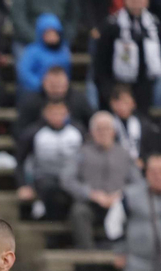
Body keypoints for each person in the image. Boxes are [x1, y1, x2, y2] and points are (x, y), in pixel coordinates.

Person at [65, 113, 138, 250]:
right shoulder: (81, 152)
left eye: (107, 128)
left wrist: (121, 194)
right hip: (91, 203)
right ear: (92, 132)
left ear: (114, 131)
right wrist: (91, 194)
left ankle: (126, 252)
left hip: (119, 203)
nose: (103, 133)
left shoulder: (124, 154)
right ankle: (88, 256)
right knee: (78, 212)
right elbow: (67, 179)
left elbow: (137, 182)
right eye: (99, 129)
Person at [16, 100, 82, 222]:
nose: (57, 117)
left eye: (61, 113)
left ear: (67, 113)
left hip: (72, 178)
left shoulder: (78, 132)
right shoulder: (33, 133)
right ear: (45, 114)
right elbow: (20, 161)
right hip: (44, 178)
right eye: (53, 113)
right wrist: (23, 185)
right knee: (51, 189)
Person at [94, 0, 161, 110]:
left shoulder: (155, 25)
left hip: (146, 86)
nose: (136, 2)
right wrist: (109, 93)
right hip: (118, 86)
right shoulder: (112, 25)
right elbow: (101, 65)